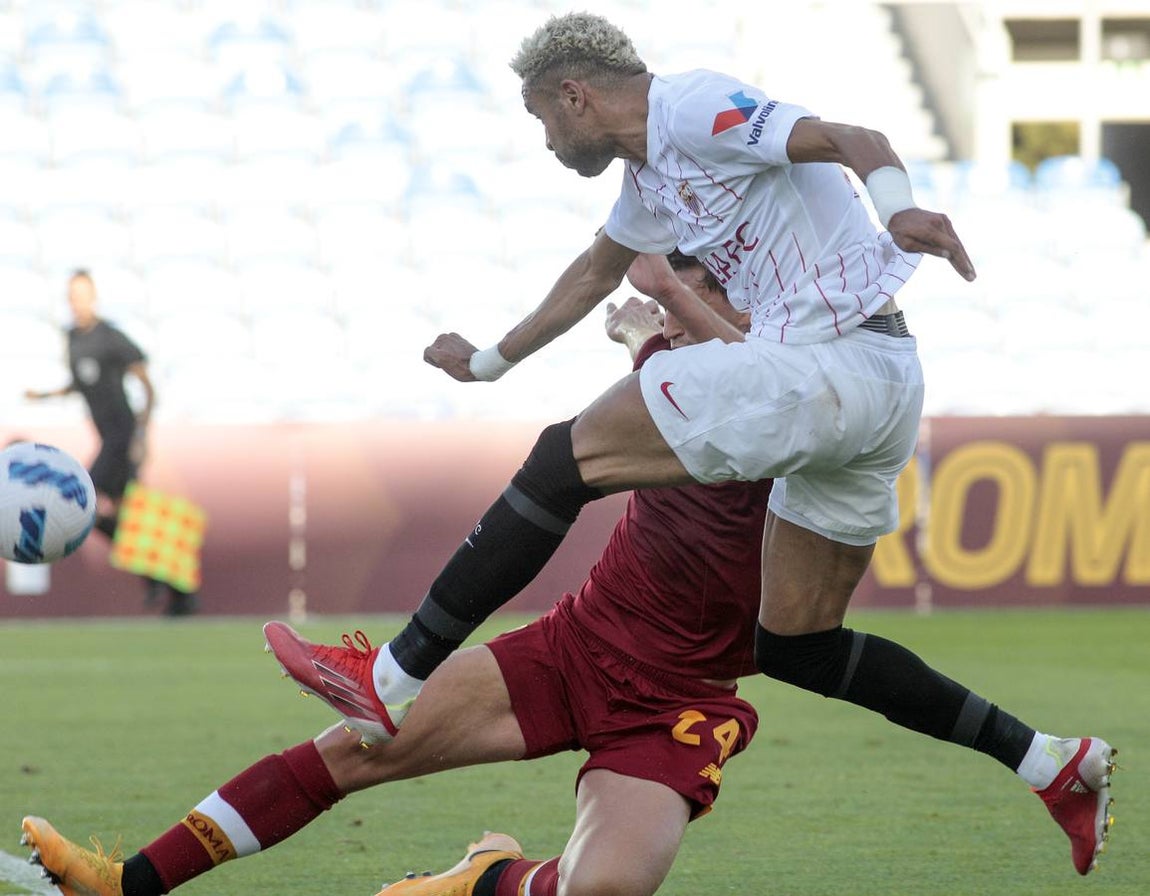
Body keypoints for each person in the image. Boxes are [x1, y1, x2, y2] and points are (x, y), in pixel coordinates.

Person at [266, 12, 1116, 877]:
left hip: (831, 367)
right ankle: (1049, 761)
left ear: (575, 96)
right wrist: (487, 363)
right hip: (882, 383)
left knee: (568, 459)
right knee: (796, 643)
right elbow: (595, 272)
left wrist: (897, 211)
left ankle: (394, 678)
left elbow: (857, 137)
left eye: (542, 120)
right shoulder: (649, 179)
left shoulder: (695, 108)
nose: (547, 141)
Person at [20, 255, 769, 896]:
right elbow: (682, 371)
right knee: (350, 751)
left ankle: (485, 879)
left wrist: (645, 329)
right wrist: (646, 334)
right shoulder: (680, 377)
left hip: (679, 697)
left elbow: (732, 401)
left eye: (700, 292)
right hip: (574, 649)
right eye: (680, 291)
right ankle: (126, 881)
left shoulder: (804, 410)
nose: (679, 307)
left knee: (602, 888)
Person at [23, 269, 197, 616]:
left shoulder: (111, 337)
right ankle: (175, 591)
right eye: (72, 296)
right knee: (127, 519)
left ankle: (164, 584)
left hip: (121, 437)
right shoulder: (73, 338)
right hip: (107, 438)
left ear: (94, 297)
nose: (78, 302)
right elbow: (80, 382)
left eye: (83, 295)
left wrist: (142, 435)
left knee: (81, 500)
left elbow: (146, 385)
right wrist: (44, 395)